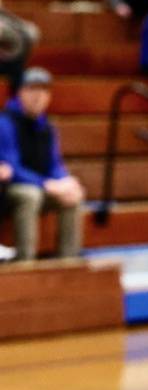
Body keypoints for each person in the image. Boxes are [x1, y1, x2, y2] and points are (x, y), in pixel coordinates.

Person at [0, 67, 84, 260]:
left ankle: (68, 261)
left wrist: (65, 181)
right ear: (20, 92)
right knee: (30, 195)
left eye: (44, 90)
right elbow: (11, 168)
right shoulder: (5, 122)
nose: (38, 96)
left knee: (72, 196)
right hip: (9, 190)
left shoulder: (47, 127)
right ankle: (25, 261)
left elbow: (54, 164)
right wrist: (46, 184)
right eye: (32, 89)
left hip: (41, 185)